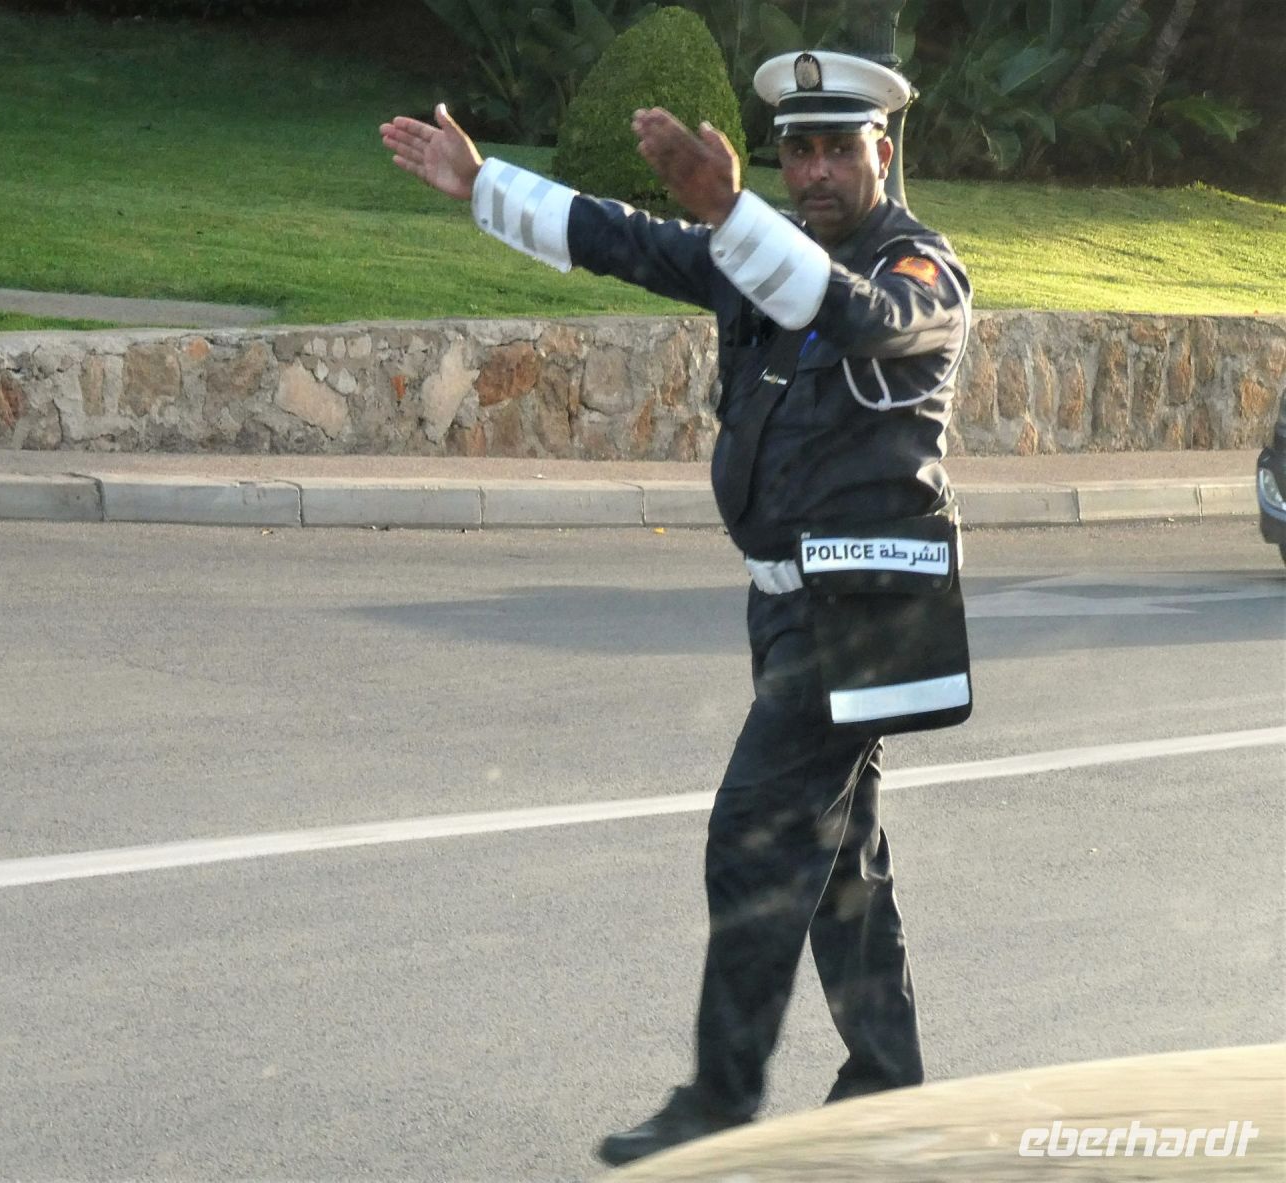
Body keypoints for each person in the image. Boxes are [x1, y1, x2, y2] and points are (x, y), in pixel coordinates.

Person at [381, 49, 973, 1167]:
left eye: (837, 147)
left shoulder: (922, 273)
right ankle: (887, 1080)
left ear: (880, 152)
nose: (814, 169)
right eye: (796, 150)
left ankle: (719, 1099)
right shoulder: (753, 260)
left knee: (755, 833)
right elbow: (625, 238)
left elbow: (853, 319)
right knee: (840, 852)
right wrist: (483, 183)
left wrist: (734, 216)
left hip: (865, 613)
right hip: (786, 607)